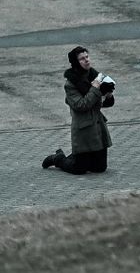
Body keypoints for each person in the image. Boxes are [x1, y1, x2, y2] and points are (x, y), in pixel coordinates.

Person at [43, 45, 113, 175]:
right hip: (84, 130)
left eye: (87, 57)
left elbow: (100, 103)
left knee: (99, 168)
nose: (86, 60)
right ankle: (58, 158)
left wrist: (108, 95)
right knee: (79, 169)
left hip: (98, 128)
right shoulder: (71, 84)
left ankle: (77, 158)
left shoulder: (94, 76)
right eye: (82, 59)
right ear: (76, 63)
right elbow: (81, 105)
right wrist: (96, 88)